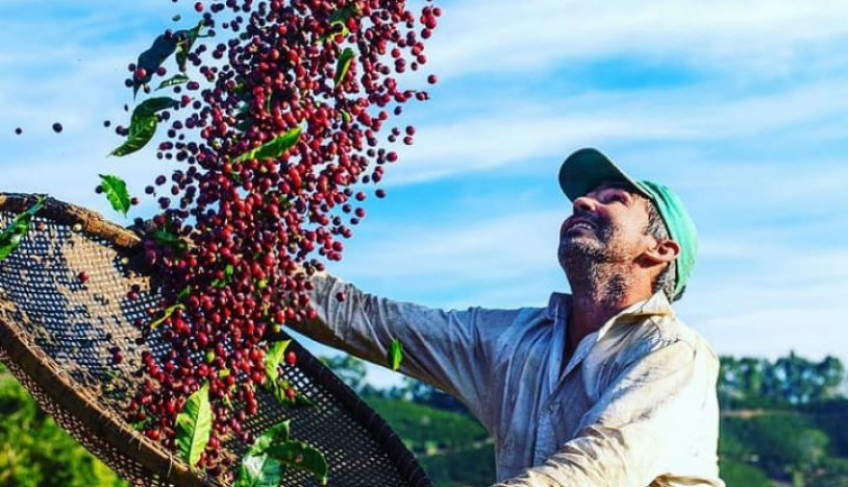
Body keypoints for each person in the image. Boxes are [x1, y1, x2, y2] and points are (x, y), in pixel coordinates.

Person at [292, 148, 725, 487]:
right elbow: (378, 322)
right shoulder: (516, 341)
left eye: (613, 199)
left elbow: (599, 467)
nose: (582, 202)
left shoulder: (672, 354)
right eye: (586, 196)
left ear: (660, 251)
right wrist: (258, 276)